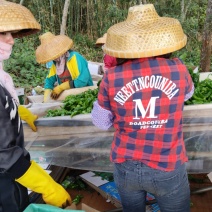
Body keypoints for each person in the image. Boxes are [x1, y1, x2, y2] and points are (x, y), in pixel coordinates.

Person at [91, 4, 194, 212]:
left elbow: (101, 123)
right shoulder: (178, 69)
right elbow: (188, 94)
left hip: (126, 165)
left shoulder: (111, 76)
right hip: (167, 165)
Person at [0, 1, 71, 211]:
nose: (11, 40)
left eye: (12, 34)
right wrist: (47, 186)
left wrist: (18, 111)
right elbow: (4, 155)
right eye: (3, 33)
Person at [35, 32, 94, 103]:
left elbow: (82, 81)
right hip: (69, 98)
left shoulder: (75, 58)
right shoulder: (56, 64)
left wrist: (61, 87)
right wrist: (46, 99)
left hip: (85, 94)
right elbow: (49, 81)